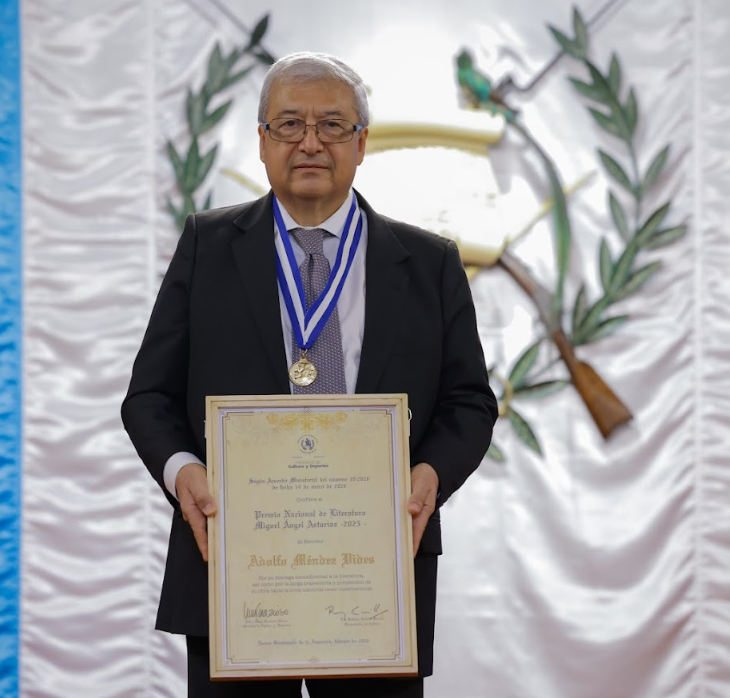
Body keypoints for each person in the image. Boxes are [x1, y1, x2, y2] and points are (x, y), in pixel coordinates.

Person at [122, 51, 497, 698]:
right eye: (290, 125)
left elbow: (468, 403)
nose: (311, 143)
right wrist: (185, 473)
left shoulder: (429, 262)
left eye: (332, 125)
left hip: (375, 567)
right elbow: (149, 397)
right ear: (262, 142)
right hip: (236, 561)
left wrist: (426, 477)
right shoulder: (208, 247)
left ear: (362, 144)